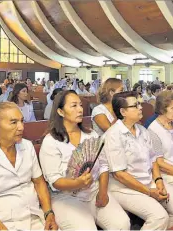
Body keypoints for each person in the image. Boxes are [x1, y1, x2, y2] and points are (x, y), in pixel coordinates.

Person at [39, 90, 130, 230]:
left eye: (80, 105)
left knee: (122, 224)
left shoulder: (90, 134)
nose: (80, 109)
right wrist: (76, 183)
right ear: (61, 112)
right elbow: (55, 181)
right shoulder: (51, 141)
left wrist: (103, 192)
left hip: (93, 190)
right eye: (74, 106)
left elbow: (104, 166)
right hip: (66, 197)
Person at [103, 91, 173, 230]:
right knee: (159, 216)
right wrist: (149, 192)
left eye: (139, 104)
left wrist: (158, 181)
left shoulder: (142, 130)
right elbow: (120, 175)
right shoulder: (113, 135)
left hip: (148, 180)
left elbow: (153, 160)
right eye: (135, 105)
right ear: (123, 111)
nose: (141, 107)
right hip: (124, 187)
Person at [0, 102, 58, 230]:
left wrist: (48, 213)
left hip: (33, 216)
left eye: (22, 121)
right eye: (13, 122)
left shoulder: (27, 146)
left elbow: (39, 182)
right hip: (2, 222)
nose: (21, 127)